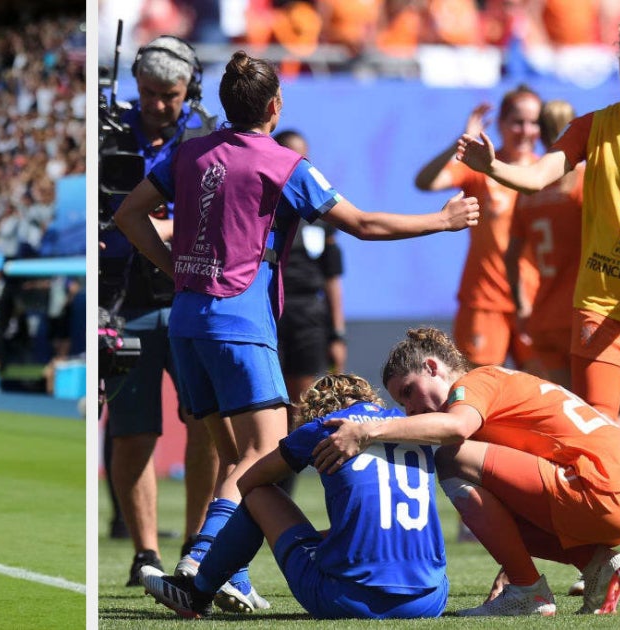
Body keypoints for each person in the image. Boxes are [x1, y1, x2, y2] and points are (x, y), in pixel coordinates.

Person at [114, 50, 478, 613]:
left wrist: (177, 271)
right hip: (239, 322)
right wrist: (441, 221)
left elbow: (129, 216)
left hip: (187, 322)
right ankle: (200, 563)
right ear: (275, 105)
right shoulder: (281, 163)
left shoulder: (188, 155)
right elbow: (361, 224)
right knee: (261, 455)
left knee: (234, 455)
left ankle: (226, 572)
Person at [455, 11, 620, 595]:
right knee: (592, 437)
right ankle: (598, 559)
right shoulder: (595, 126)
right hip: (601, 305)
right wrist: (495, 168)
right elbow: (538, 176)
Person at [312, 328, 620, 616]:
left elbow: (457, 428)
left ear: (433, 367)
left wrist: (368, 430)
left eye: (408, 392)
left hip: (598, 488)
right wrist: (510, 567)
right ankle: (598, 564)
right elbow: (512, 496)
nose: (411, 409)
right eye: (403, 404)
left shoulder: (474, 383)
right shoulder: (496, 383)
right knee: (490, 496)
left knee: (449, 458)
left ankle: (529, 592)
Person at [142, 374, 448, 619]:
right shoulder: (408, 426)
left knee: (259, 494)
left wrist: (269, 536)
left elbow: (250, 481)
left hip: (348, 601)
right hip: (431, 600)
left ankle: (198, 591)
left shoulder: (324, 426)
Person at [99, 34, 221, 588]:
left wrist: (144, 224)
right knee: (132, 433)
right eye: (148, 92)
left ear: (188, 90)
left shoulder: (207, 135)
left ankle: (196, 544)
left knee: (204, 425)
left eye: (168, 94)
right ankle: (145, 551)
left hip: (192, 297)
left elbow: (218, 217)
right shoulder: (107, 130)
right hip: (125, 302)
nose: (156, 104)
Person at [415, 85, 542, 369]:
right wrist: (460, 143)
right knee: (478, 390)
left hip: (535, 301)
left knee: (539, 392)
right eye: (517, 121)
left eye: (533, 122)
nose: (525, 130)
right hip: (484, 299)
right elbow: (425, 181)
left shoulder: (546, 172)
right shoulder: (481, 166)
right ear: (502, 124)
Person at [503, 98, 582, 389]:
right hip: (586, 312)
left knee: (572, 409)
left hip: (545, 315)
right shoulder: (586, 182)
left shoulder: (527, 192)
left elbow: (510, 257)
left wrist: (522, 306)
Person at [273, 130, 346, 426]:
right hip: (269, 311)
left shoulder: (320, 212)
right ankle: (267, 470)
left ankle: (288, 471)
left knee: (301, 403)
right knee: (270, 400)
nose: (298, 164)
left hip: (307, 317)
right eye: (290, 156)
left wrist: (337, 334)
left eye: (303, 157)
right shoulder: (259, 208)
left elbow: (332, 278)